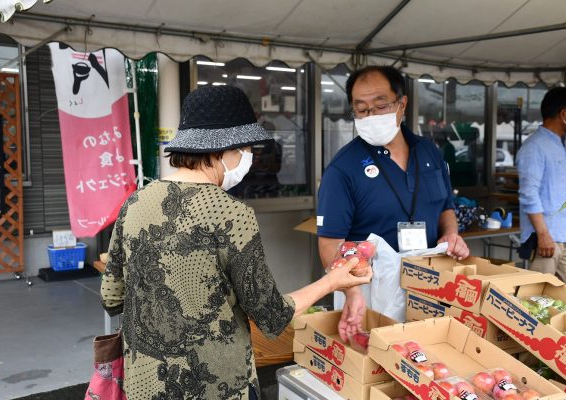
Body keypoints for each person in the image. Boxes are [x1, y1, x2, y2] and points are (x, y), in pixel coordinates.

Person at [100, 85, 372, 400]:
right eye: (247, 148)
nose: (250, 157)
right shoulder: (229, 212)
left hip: (145, 383)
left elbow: (112, 297)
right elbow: (271, 313)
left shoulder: (135, 202)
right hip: (215, 384)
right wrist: (332, 282)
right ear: (225, 149)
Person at [316, 66, 469, 341]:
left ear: (402, 104)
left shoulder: (429, 152)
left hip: (428, 285)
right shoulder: (343, 168)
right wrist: (351, 292)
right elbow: (330, 244)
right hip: (370, 296)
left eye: (380, 105)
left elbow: (446, 206)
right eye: (360, 109)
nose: (370, 115)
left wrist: (452, 234)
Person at [517, 87, 566, 291]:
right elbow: (529, 194)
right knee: (536, 299)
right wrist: (543, 233)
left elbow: (563, 193)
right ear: (564, 114)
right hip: (547, 240)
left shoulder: (560, 146)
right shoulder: (535, 147)